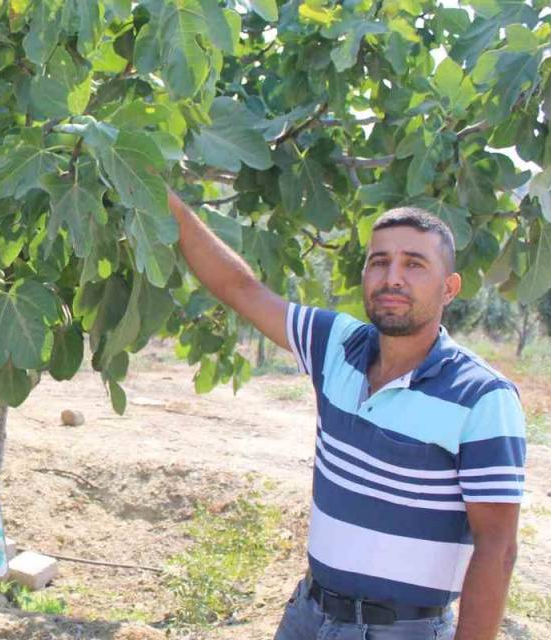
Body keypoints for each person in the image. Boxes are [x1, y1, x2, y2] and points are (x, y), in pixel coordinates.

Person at [168, 192, 525, 640]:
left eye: (414, 264)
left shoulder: (483, 397)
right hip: (308, 615)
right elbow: (241, 289)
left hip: (401, 631)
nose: (392, 278)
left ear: (448, 288)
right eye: (379, 262)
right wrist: (166, 202)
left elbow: (497, 546)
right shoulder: (336, 346)